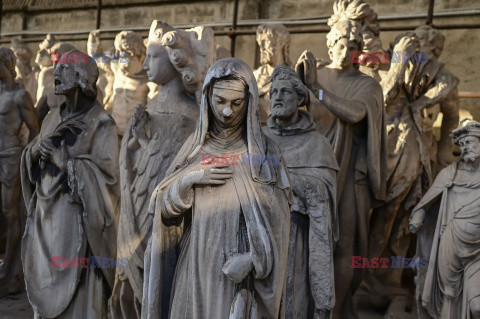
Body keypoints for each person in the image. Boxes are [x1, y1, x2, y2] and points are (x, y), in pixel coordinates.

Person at [142, 58, 292, 319]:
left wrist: (253, 260)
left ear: (250, 101)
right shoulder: (195, 148)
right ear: (207, 99)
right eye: (219, 101)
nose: (226, 112)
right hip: (194, 267)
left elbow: (279, 223)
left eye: (236, 103)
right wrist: (190, 179)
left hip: (236, 277)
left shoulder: (264, 154)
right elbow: (160, 209)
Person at [110, 20, 215, 319]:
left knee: (165, 273)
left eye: (153, 56)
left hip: (171, 213)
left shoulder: (194, 113)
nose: (145, 63)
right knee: (131, 281)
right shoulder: (150, 106)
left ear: (175, 59)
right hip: (137, 203)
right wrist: (135, 138)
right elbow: (138, 159)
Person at [296, 19, 387, 318]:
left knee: (344, 243)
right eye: (338, 43)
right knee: (305, 239)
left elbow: (354, 113)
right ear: (329, 42)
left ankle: (333, 311)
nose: (344, 52)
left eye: (352, 46)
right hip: (311, 171)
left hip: (350, 176)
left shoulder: (368, 85)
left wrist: (316, 89)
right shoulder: (314, 75)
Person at [21, 50, 119, 318]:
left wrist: (67, 163)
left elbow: (109, 181)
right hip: (46, 222)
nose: (56, 74)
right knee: (45, 288)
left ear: (82, 77)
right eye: (57, 69)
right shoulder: (52, 116)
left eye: (64, 69)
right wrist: (33, 153)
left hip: (79, 226)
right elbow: (33, 157)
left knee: (79, 300)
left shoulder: (102, 124)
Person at [262, 66, 338, 319]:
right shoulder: (258, 139)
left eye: (285, 92)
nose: (277, 97)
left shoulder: (317, 144)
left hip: (296, 233)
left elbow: (324, 192)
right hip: (257, 230)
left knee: (291, 301)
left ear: (300, 99)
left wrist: (284, 180)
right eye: (273, 92)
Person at [409, 120, 480, 319]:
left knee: (477, 306)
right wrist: (418, 217)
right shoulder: (450, 173)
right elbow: (425, 203)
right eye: (462, 143)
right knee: (449, 298)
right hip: (450, 245)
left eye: (470, 142)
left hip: (478, 252)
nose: (465, 147)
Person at [0, 47, 39, 297]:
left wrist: (27, 156)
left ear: (6, 63)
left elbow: (35, 128)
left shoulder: (20, 95)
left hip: (10, 158)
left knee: (10, 213)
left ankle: (10, 270)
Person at [88, 30, 149, 136]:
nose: (123, 59)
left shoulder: (149, 79)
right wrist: (93, 42)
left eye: (127, 55)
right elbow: (96, 57)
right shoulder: (116, 68)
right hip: (113, 131)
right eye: (120, 54)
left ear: (139, 55)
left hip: (134, 135)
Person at [254, 23, 292, 123]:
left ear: (281, 42)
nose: (261, 47)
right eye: (259, 42)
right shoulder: (254, 77)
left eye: (265, 42)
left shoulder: (295, 76)